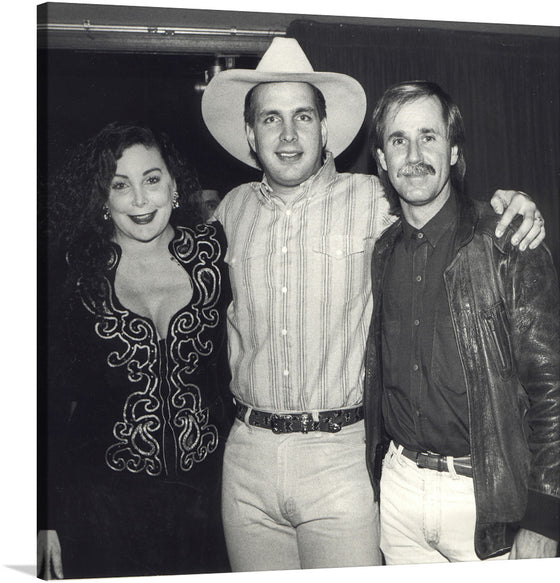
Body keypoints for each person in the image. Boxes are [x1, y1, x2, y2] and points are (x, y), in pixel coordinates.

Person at [200, 37, 546, 571]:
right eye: (270, 119)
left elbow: (442, 202)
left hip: (341, 456)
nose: (288, 135)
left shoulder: (373, 201)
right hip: (247, 455)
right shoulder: (228, 212)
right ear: (250, 134)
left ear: (325, 130)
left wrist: (515, 206)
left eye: (302, 117)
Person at [364, 80, 559, 565]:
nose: (414, 153)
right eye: (398, 140)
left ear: (452, 150)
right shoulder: (383, 251)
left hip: (486, 499)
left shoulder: (506, 242)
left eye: (429, 136)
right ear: (382, 159)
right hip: (400, 493)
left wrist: (544, 520)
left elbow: (551, 393)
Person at [38, 122, 234, 579]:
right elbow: (44, 401)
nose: (141, 201)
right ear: (102, 200)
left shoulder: (214, 254)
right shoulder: (74, 275)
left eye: (152, 179)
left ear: (175, 185)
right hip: (103, 507)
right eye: (120, 186)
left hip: (209, 502)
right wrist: (43, 516)